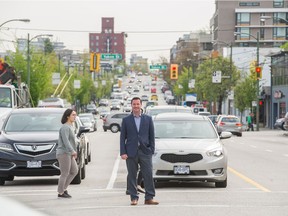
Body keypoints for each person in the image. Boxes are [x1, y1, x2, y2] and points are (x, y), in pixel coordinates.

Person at [120, 97, 159, 206]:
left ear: (141, 105)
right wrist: (123, 152)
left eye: (138, 104)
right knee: (132, 175)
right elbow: (122, 137)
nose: (136, 106)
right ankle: (134, 198)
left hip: (145, 151)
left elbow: (152, 136)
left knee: (148, 174)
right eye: (134, 104)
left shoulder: (148, 119)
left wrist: (151, 149)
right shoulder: (126, 120)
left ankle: (149, 198)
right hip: (131, 152)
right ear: (131, 105)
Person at [56, 108, 78, 198]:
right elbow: (66, 141)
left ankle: (63, 189)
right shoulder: (65, 127)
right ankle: (61, 192)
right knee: (64, 173)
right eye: (73, 115)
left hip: (68, 153)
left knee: (74, 171)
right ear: (67, 116)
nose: (75, 116)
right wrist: (72, 151)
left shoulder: (70, 126)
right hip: (64, 153)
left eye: (75, 115)